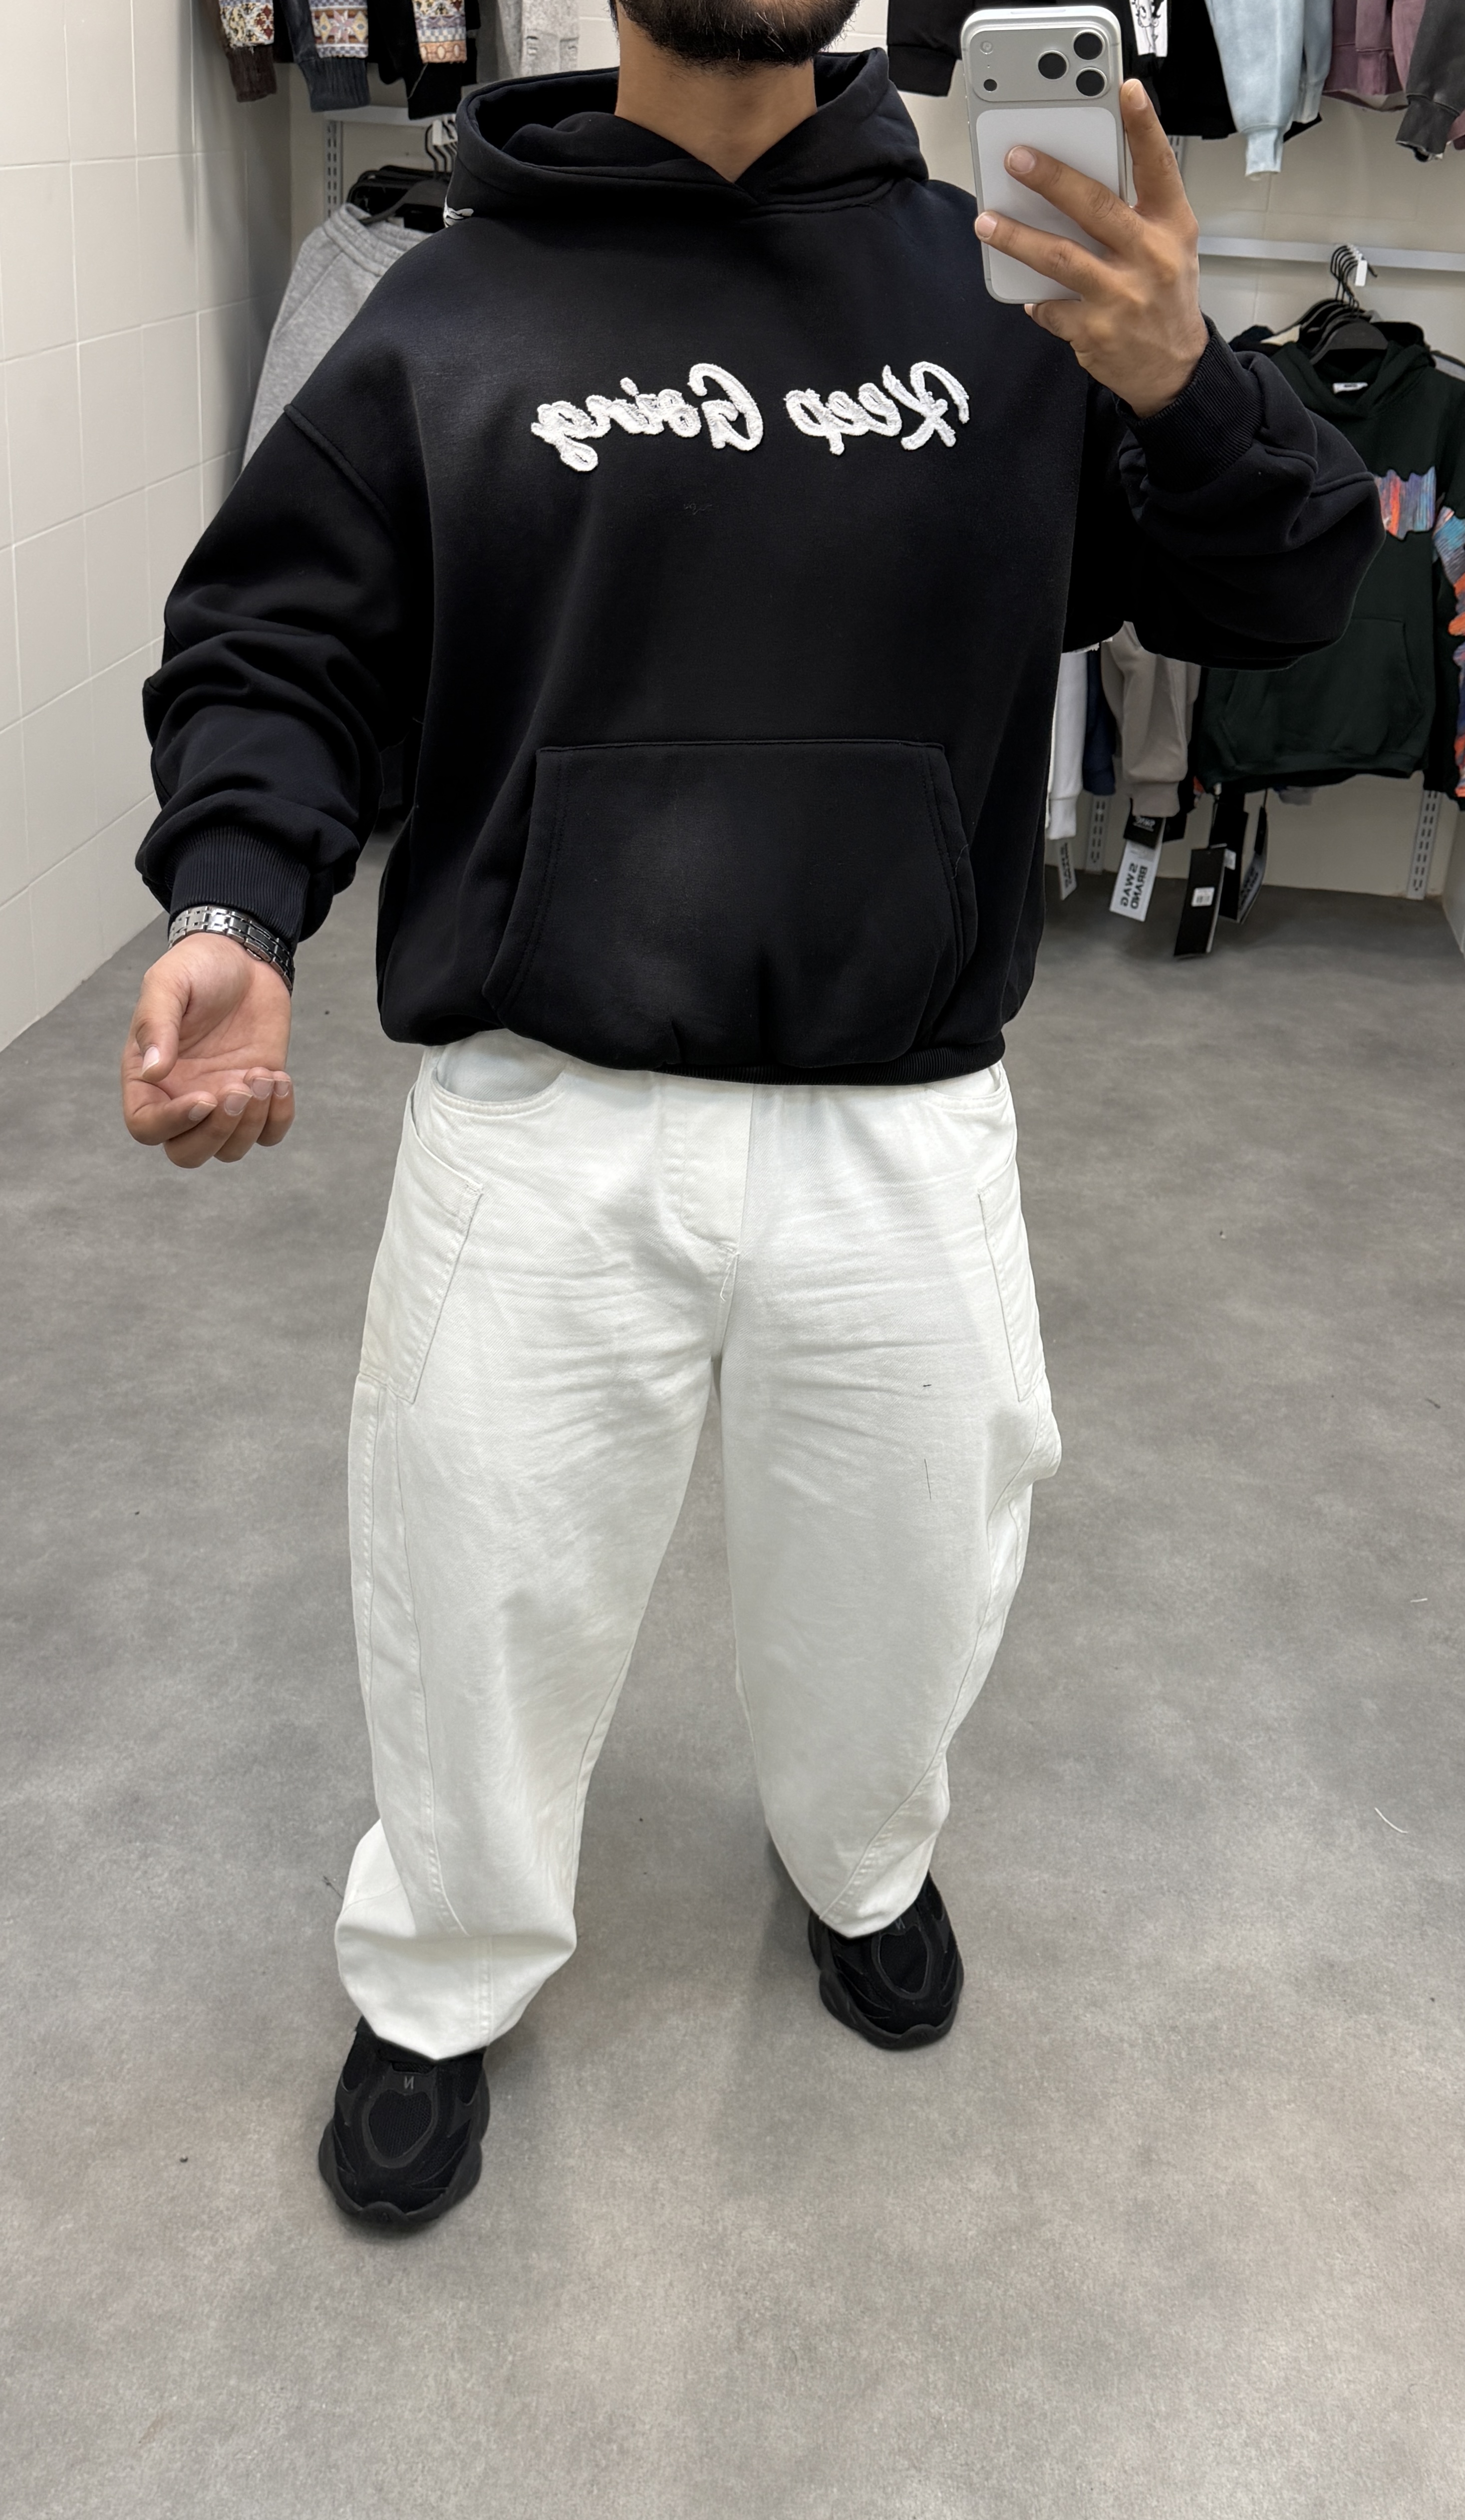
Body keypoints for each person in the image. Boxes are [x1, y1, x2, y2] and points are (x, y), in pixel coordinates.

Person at [120, 0, 1379, 2230]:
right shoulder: (452, 308)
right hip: (538, 1108)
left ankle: (864, 1861)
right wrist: (236, 897)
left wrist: (1186, 380)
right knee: (475, 1592)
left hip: (897, 1109)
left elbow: (1285, 591)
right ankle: (442, 1970)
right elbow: (278, 647)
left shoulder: (1011, 289)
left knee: (904, 1593)